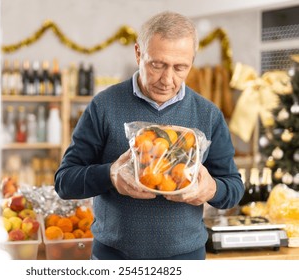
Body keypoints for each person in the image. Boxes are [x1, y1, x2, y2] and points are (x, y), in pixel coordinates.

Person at [54, 11, 244, 260]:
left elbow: (233, 187)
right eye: (157, 64)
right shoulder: (104, 106)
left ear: (192, 61)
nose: (167, 79)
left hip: (186, 260)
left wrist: (211, 189)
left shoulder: (208, 114)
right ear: (138, 53)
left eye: (180, 68)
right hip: (114, 259)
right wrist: (111, 175)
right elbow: (64, 182)